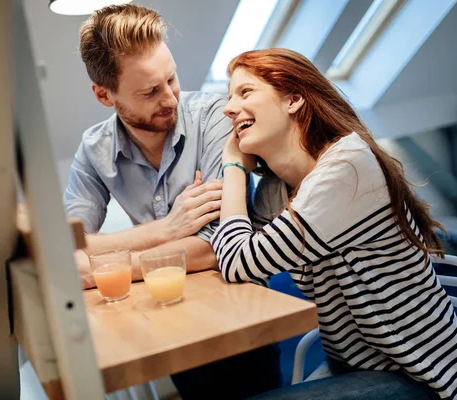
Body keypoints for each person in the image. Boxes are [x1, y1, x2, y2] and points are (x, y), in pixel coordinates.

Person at [212, 48, 457, 400]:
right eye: (229, 96)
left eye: (245, 92)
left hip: (420, 375)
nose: (228, 108)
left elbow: (237, 262)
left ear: (294, 99)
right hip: (353, 368)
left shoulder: (347, 165)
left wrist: (232, 168)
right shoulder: (276, 189)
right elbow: (238, 259)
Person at [64, 5, 282, 399]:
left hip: (239, 321)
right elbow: (67, 247)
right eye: (150, 91)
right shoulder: (94, 149)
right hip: (165, 325)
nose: (170, 98)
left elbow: (219, 245)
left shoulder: (217, 117)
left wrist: (104, 268)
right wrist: (166, 230)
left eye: (172, 77)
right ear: (103, 94)